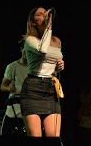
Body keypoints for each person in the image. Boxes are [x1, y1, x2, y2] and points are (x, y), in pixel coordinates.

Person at [20, 7, 64, 137]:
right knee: (36, 139)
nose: (44, 16)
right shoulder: (29, 39)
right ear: (33, 22)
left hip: (50, 87)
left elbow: (54, 62)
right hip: (33, 87)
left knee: (54, 138)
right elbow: (43, 50)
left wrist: (59, 67)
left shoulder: (56, 41)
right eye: (40, 14)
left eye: (46, 13)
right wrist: (48, 26)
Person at [0, 43, 28, 135]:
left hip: (29, 110)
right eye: (26, 50)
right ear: (21, 49)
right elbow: (2, 86)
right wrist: (9, 88)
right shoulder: (12, 67)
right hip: (13, 110)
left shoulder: (35, 68)